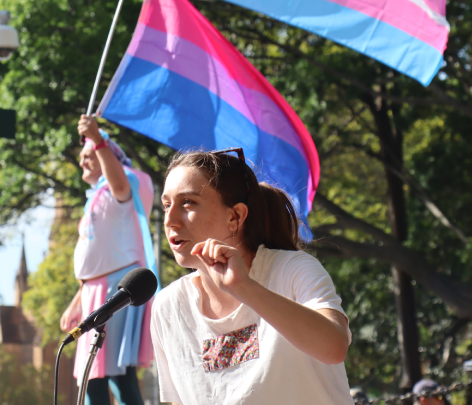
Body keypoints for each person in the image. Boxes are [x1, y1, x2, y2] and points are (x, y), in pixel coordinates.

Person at [151, 149, 354, 405]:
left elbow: (335, 347)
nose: (169, 220)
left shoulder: (292, 269)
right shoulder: (168, 305)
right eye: (167, 204)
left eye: (188, 202)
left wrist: (243, 288)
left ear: (235, 216)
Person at [59, 115, 156, 405]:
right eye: (83, 156)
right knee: (92, 375)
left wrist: (97, 139)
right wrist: (79, 299)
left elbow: (120, 185)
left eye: (89, 155)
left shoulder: (121, 185)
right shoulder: (97, 196)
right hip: (94, 291)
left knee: (116, 374)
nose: (82, 162)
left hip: (116, 288)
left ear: (108, 155)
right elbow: (95, 256)